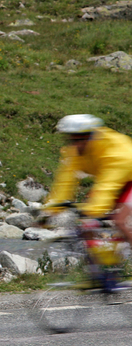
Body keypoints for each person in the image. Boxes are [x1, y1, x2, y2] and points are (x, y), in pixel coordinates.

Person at [44, 114, 132, 290]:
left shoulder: (114, 151)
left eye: (80, 139)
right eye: (72, 139)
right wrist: (49, 211)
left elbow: (108, 185)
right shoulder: (73, 151)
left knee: (120, 221)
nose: (76, 144)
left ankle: (113, 263)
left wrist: (94, 212)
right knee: (85, 225)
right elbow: (65, 180)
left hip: (127, 176)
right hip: (109, 179)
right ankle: (98, 274)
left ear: (91, 136)